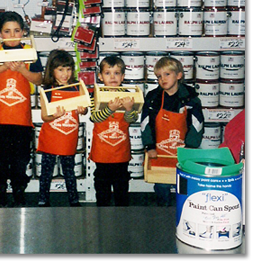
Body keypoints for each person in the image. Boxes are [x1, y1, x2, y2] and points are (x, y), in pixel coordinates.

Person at [0, 11, 43, 207]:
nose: (12, 35)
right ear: (0, 34)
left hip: (21, 120)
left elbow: (38, 79)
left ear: (23, 32)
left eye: (17, 31)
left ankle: (18, 193)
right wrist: (4, 67)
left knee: (20, 161)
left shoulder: (30, 51)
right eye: (7, 31)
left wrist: (22, 70)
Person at [141, 56, 204, 206]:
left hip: (184, 154)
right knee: (161, 186)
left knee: (183, 188)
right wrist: (149, 146)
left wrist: (190, 148)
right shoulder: (152, 98)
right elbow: (145, 124)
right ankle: (162, 215)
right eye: (159, 76)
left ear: (179, 75)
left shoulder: (190, 98)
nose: (162, 79)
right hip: (159, 153)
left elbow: (197, 125)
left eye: (167, 74)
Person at [37, 50, 88, 207]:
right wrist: (55, 116)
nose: (65, 74)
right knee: (46, 172)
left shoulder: (76, 87)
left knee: (69, 171)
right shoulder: (47, 90)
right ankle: (43, 199)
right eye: (60, 69)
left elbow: (84, 109)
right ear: (51, 70)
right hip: (51, 138)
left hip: (68, 137)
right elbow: (44, 117)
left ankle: (73, 199)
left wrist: (82, 110)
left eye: (68, 69)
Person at [88, 56, 139, 206]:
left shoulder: (129, 96)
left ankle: (121, 215)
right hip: (102, 153)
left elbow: (131, 119)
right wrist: (110, 109)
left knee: (121, 187)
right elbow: (94, 117)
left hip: (121, 152)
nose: (112, 77)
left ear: (123, 76)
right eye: (108, 73)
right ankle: (101, 214)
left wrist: (129, 109)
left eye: (117, 73)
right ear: (100, 76)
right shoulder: (96, 96)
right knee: (102, 187)